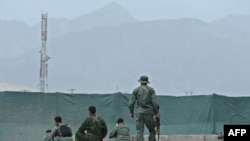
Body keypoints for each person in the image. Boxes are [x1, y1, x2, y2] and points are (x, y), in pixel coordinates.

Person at [128, 75, 160, 141]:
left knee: (139, 131)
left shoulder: (136, 90)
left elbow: (131, 103)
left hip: (139, 113)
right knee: (151, 129)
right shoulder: (151, 90)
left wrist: (131, 112)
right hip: (149, 113)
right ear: (147, 82)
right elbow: (154, 103)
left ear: (140, 82)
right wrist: (156, 112)